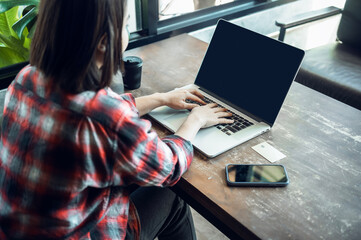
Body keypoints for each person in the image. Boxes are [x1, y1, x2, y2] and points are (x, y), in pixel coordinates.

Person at [0, 0, 233, 239]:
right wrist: (196, 119)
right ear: (103, 41)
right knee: (172, 196)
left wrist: (160, 98)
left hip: (18, 229)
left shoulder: (25, 79)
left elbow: (95, 111)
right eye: (126, 25)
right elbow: (168, 167)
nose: (128, 32)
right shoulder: (105, 116)